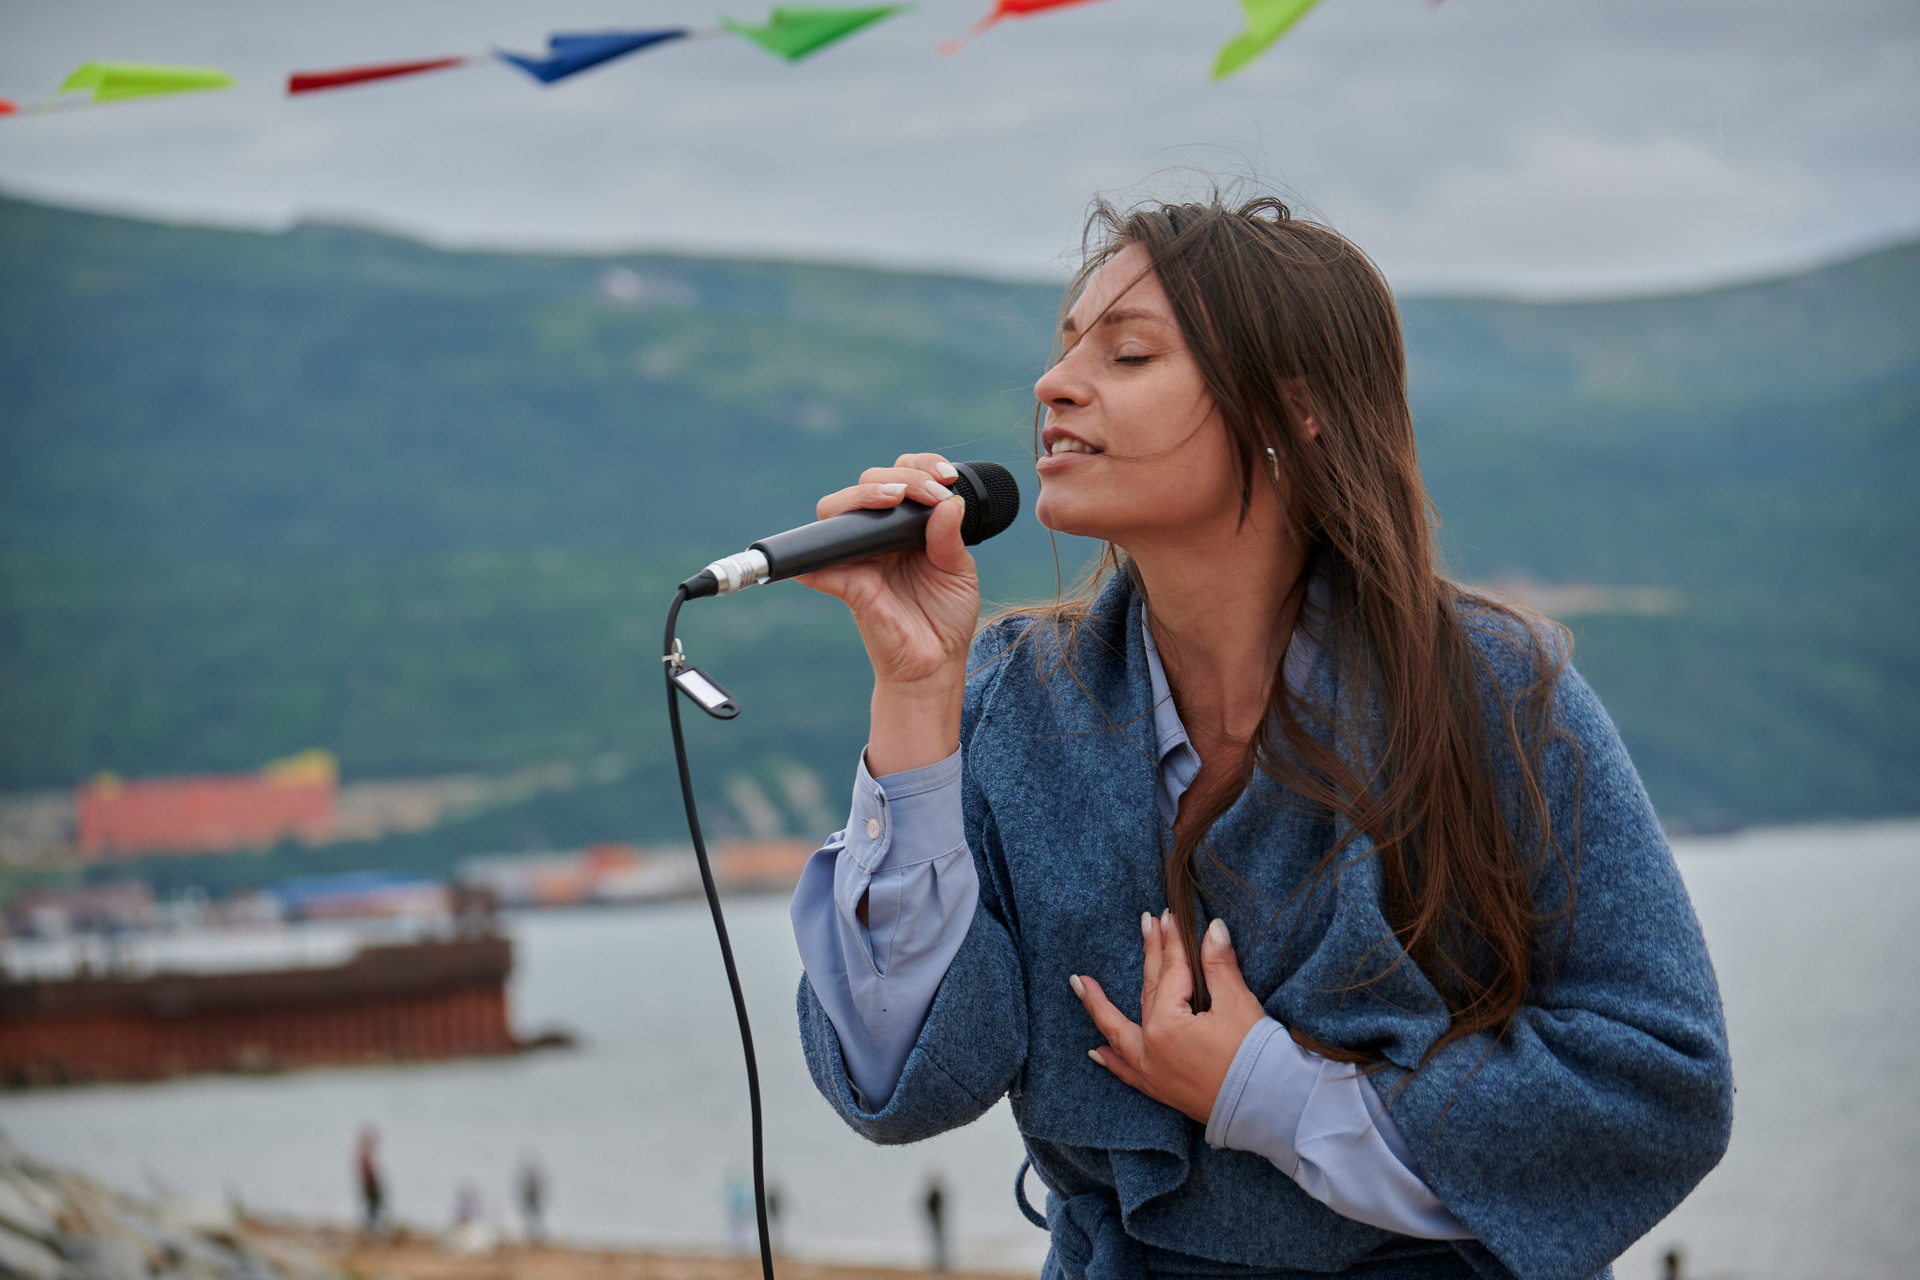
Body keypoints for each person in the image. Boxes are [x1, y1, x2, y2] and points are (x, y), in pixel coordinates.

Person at [789, 193, 1733, 1280]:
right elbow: (903, 1080)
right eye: (1065, 346)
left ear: (1295, 407)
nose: (1053, 384)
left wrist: (1269, 1091)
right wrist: (916, 692)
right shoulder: (1008, 699)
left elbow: (1663, 1085)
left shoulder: (1496, 687)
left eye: (1129, 353)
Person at [355, 1126, 384, 1239]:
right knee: (372, 1209)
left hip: (370, 1185)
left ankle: (371, 1230)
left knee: (373, 1209)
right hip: (370, 1186)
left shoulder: (365, 1155)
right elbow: (367, 1173)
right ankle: (371, 1232)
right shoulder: (364, 1156)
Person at [517, 1154, 547, 1245]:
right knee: (530, 1219)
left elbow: (538, 1192)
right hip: (530, 1203)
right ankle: (531, 1235)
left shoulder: (532, 1182)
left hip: (533, 1203)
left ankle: (538, 1235)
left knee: (536, 1219)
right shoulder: (531, 1181)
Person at [923, 1172, 949, 1274]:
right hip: (936, 1222)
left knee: (939, 1243)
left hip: (937, 1222)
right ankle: (939, 1264)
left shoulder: (936, 1195)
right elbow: (932, 1207)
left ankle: (941, 1264)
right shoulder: (935, 1195)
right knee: (938, 1243)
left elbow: (934, 1207)